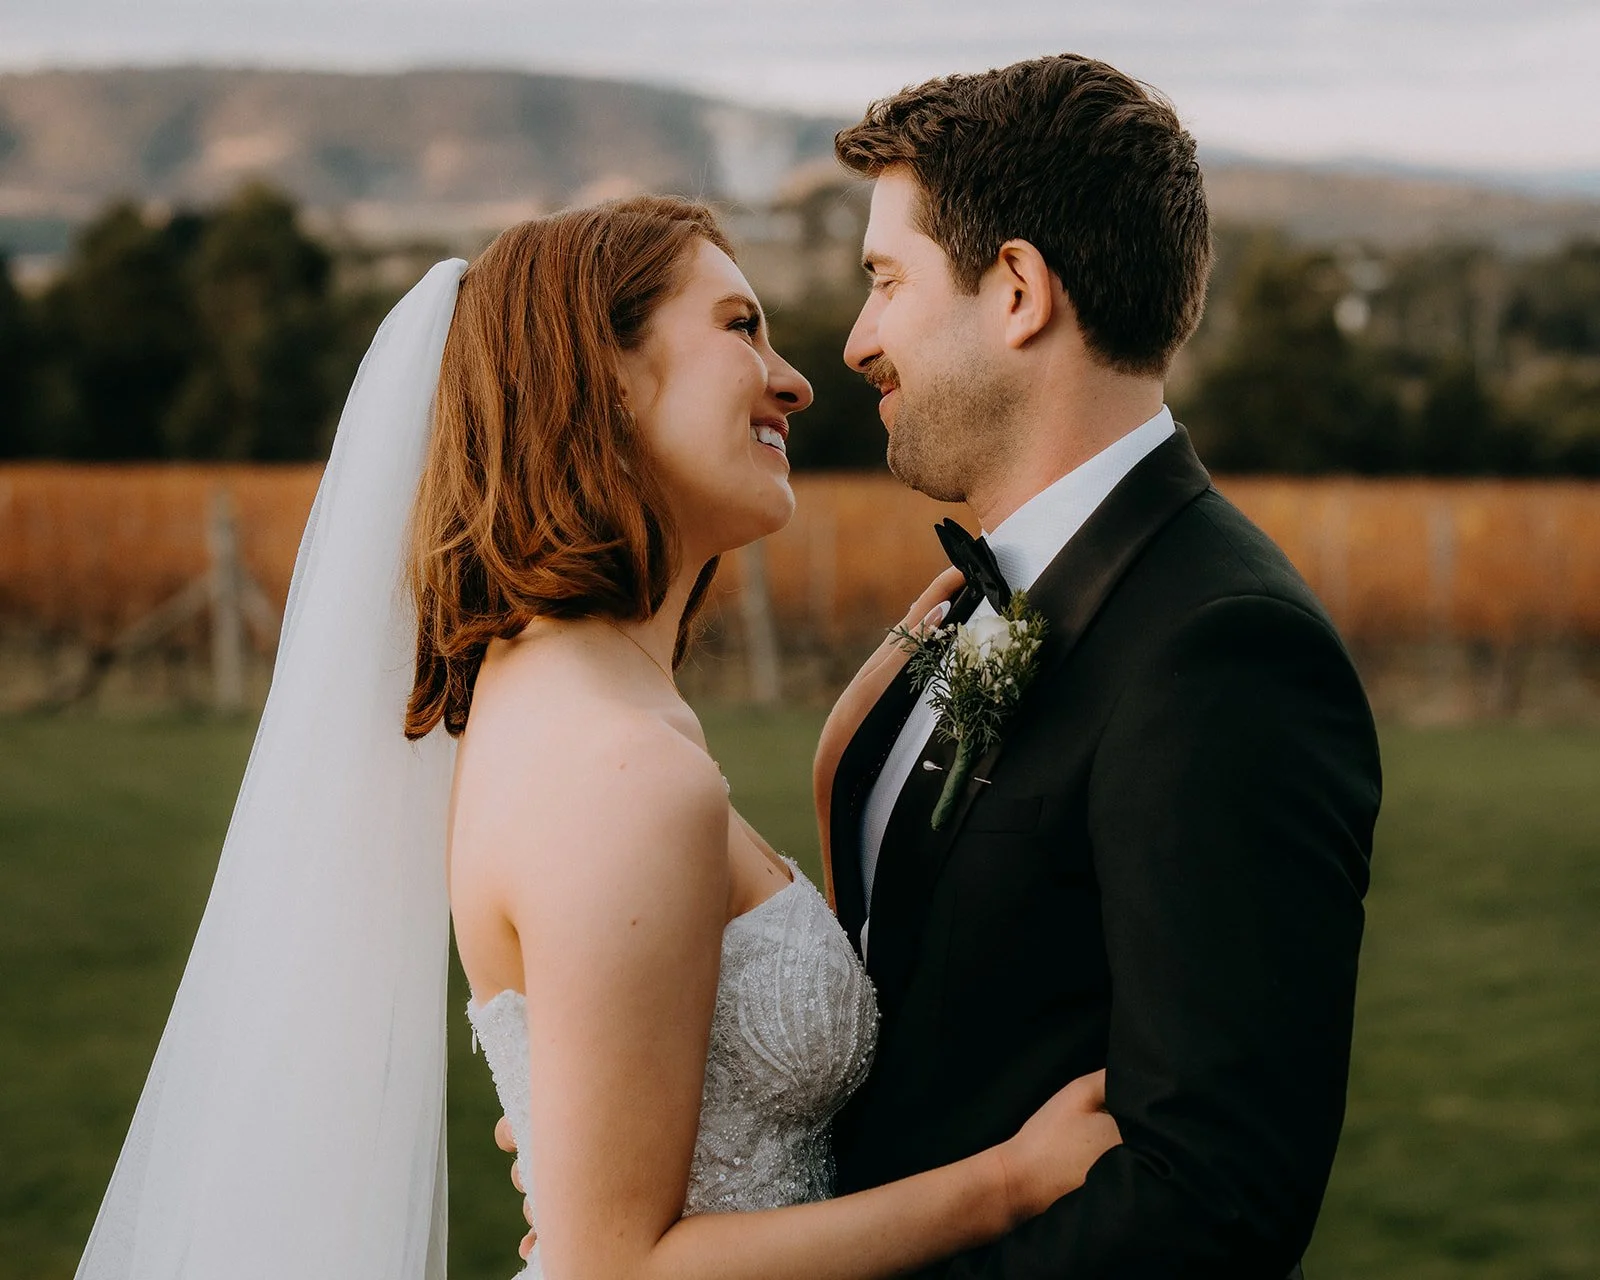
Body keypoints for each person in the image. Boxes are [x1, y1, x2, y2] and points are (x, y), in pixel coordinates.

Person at [74, 195, 1118, 1280]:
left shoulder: (563, 696)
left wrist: (858, 729)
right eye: (737, 325)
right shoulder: (618, 764)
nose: (797, 377)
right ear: (601, 375)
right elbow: (616, 1267)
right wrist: (1008, 1181)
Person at [809, 54, 1383, 1280]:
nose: (858, 339)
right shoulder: (972, 601)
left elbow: (1209, 1201)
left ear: (1015, 289)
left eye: (885, 279)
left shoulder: (1222, 650)